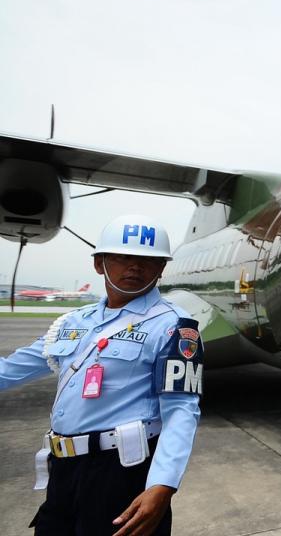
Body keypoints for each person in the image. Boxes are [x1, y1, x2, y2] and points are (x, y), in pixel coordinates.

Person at [0, 214, 202, 535]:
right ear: (99, 263)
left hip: (121, 471)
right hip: (63, 468)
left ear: (161, 269)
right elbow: (12, 368)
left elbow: (181, 409)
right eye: (123, 256)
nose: (135, 266)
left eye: (148, 259)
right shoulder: (73, 321)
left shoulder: (174, 326)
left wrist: (163, 484)